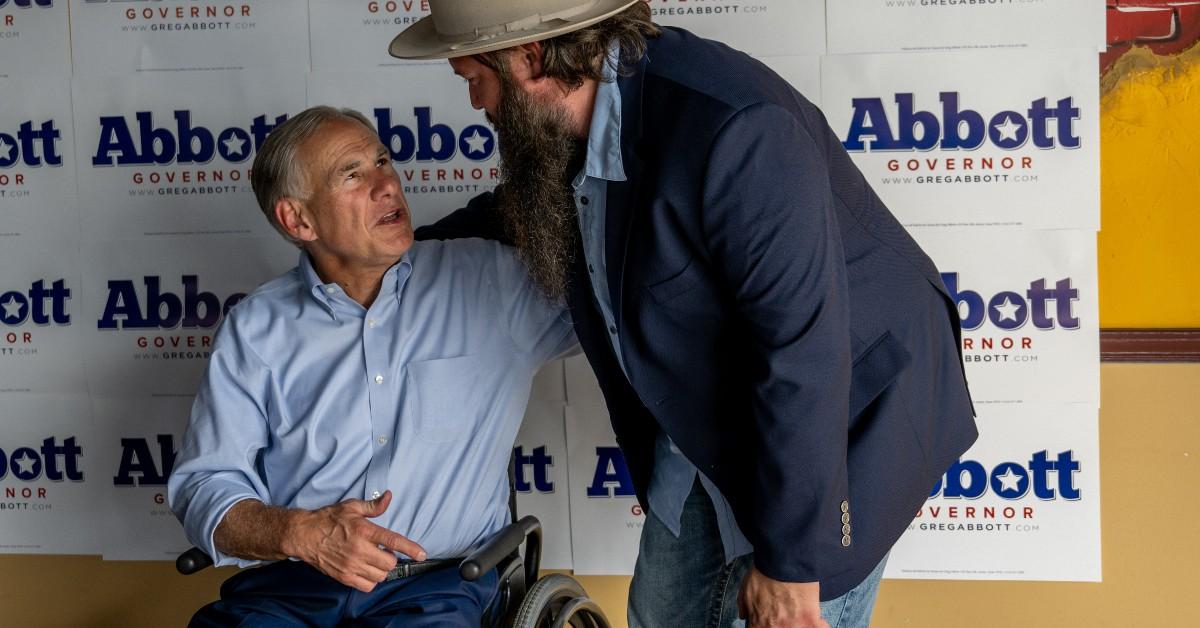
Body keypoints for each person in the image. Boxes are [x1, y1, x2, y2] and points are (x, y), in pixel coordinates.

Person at [391, 2, 978, 627]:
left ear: (530, 59)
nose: (478, 104)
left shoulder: (736, 131)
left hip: (836, 428)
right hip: (711, 425)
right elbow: (524, 204)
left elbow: (803, 355)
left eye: (472, 80)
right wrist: (397, 248)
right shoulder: (586, 106)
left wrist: (789, 565)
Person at [167, 106, 575, 627]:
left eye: (382, 161)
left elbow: (624, 307)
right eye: (352, 174)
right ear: (299, 219)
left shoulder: (492, 283)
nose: (386, 184)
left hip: (437, 589)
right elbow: (205, 484)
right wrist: (298, 533)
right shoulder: (254, 329)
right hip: (288, 590)